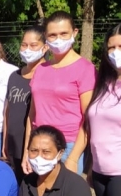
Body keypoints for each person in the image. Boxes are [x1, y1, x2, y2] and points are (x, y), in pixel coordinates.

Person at [22, 11, 96, 175]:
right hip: (39, 145)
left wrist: (73, 157)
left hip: (68, 146)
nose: (58, 39)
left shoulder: (85, 69)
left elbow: (88, 118)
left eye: (64, 34)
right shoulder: (41, 69)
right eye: (53, 35)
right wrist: (28, 150)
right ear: (46, 38)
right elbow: (32, 115)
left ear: (74, 33)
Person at [86, 24, 121, 196]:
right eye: (111, 47)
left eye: (120, 47)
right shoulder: (105, 83)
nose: (115, 52)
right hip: (100, 169)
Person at [3, 24, 48, 182]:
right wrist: (5, 141)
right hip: (14, 143)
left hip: (34, 144)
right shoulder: (14, 76)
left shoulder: (47, 75)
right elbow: (8, 110)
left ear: (45, 47)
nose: (28, 49)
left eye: (33, 45)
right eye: (24, 44)